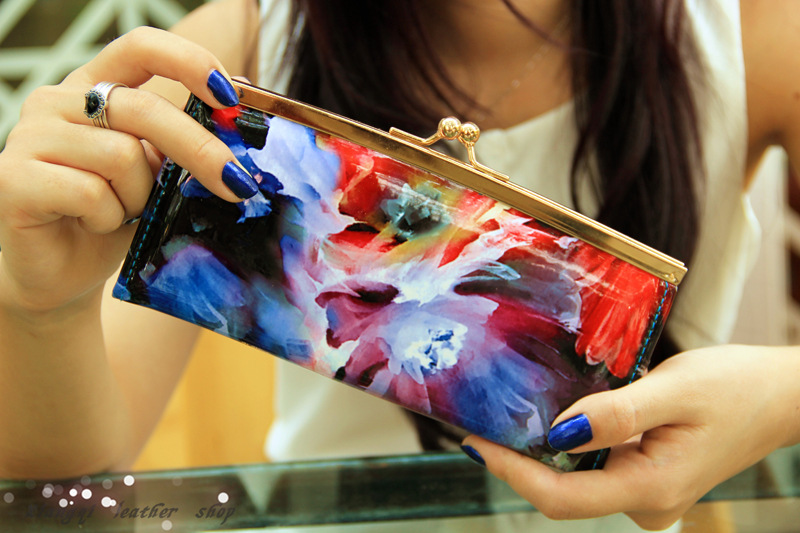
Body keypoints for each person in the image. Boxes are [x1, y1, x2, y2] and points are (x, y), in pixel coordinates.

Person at [0, 0, 799, 530]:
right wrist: (42, 308)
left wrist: (780, 395)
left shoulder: (755, 33)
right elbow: (72, 486)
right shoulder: (243, 40)